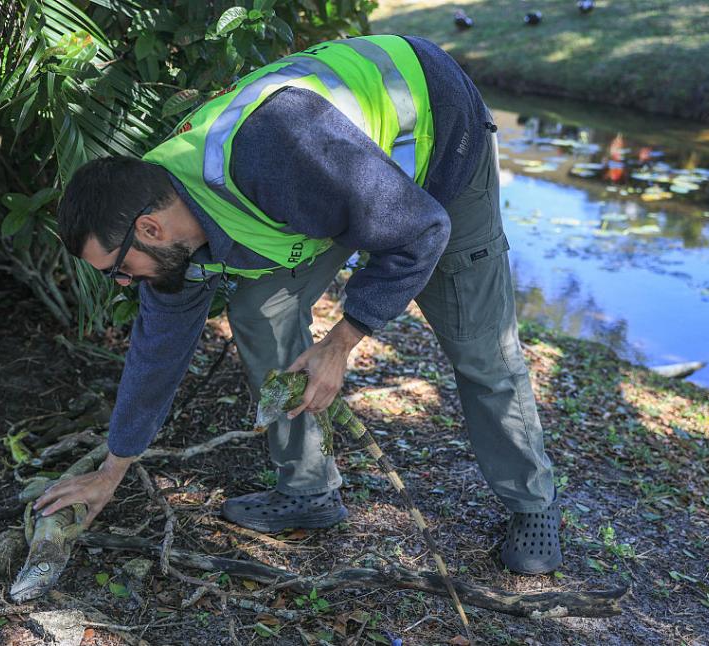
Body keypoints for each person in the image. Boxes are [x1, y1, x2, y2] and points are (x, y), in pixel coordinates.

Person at [35, 34, 562, 574]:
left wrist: (341, 341)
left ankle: (533, 504)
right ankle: (309, 490)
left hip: (437, 137)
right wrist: (113, 468)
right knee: (260, 311)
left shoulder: (276, 152)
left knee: (481, 349)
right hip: (337, 185)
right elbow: (156, 352)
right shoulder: (168, 225)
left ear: (149, 227)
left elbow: (423, 229)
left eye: (118, 268)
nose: (122, 284)